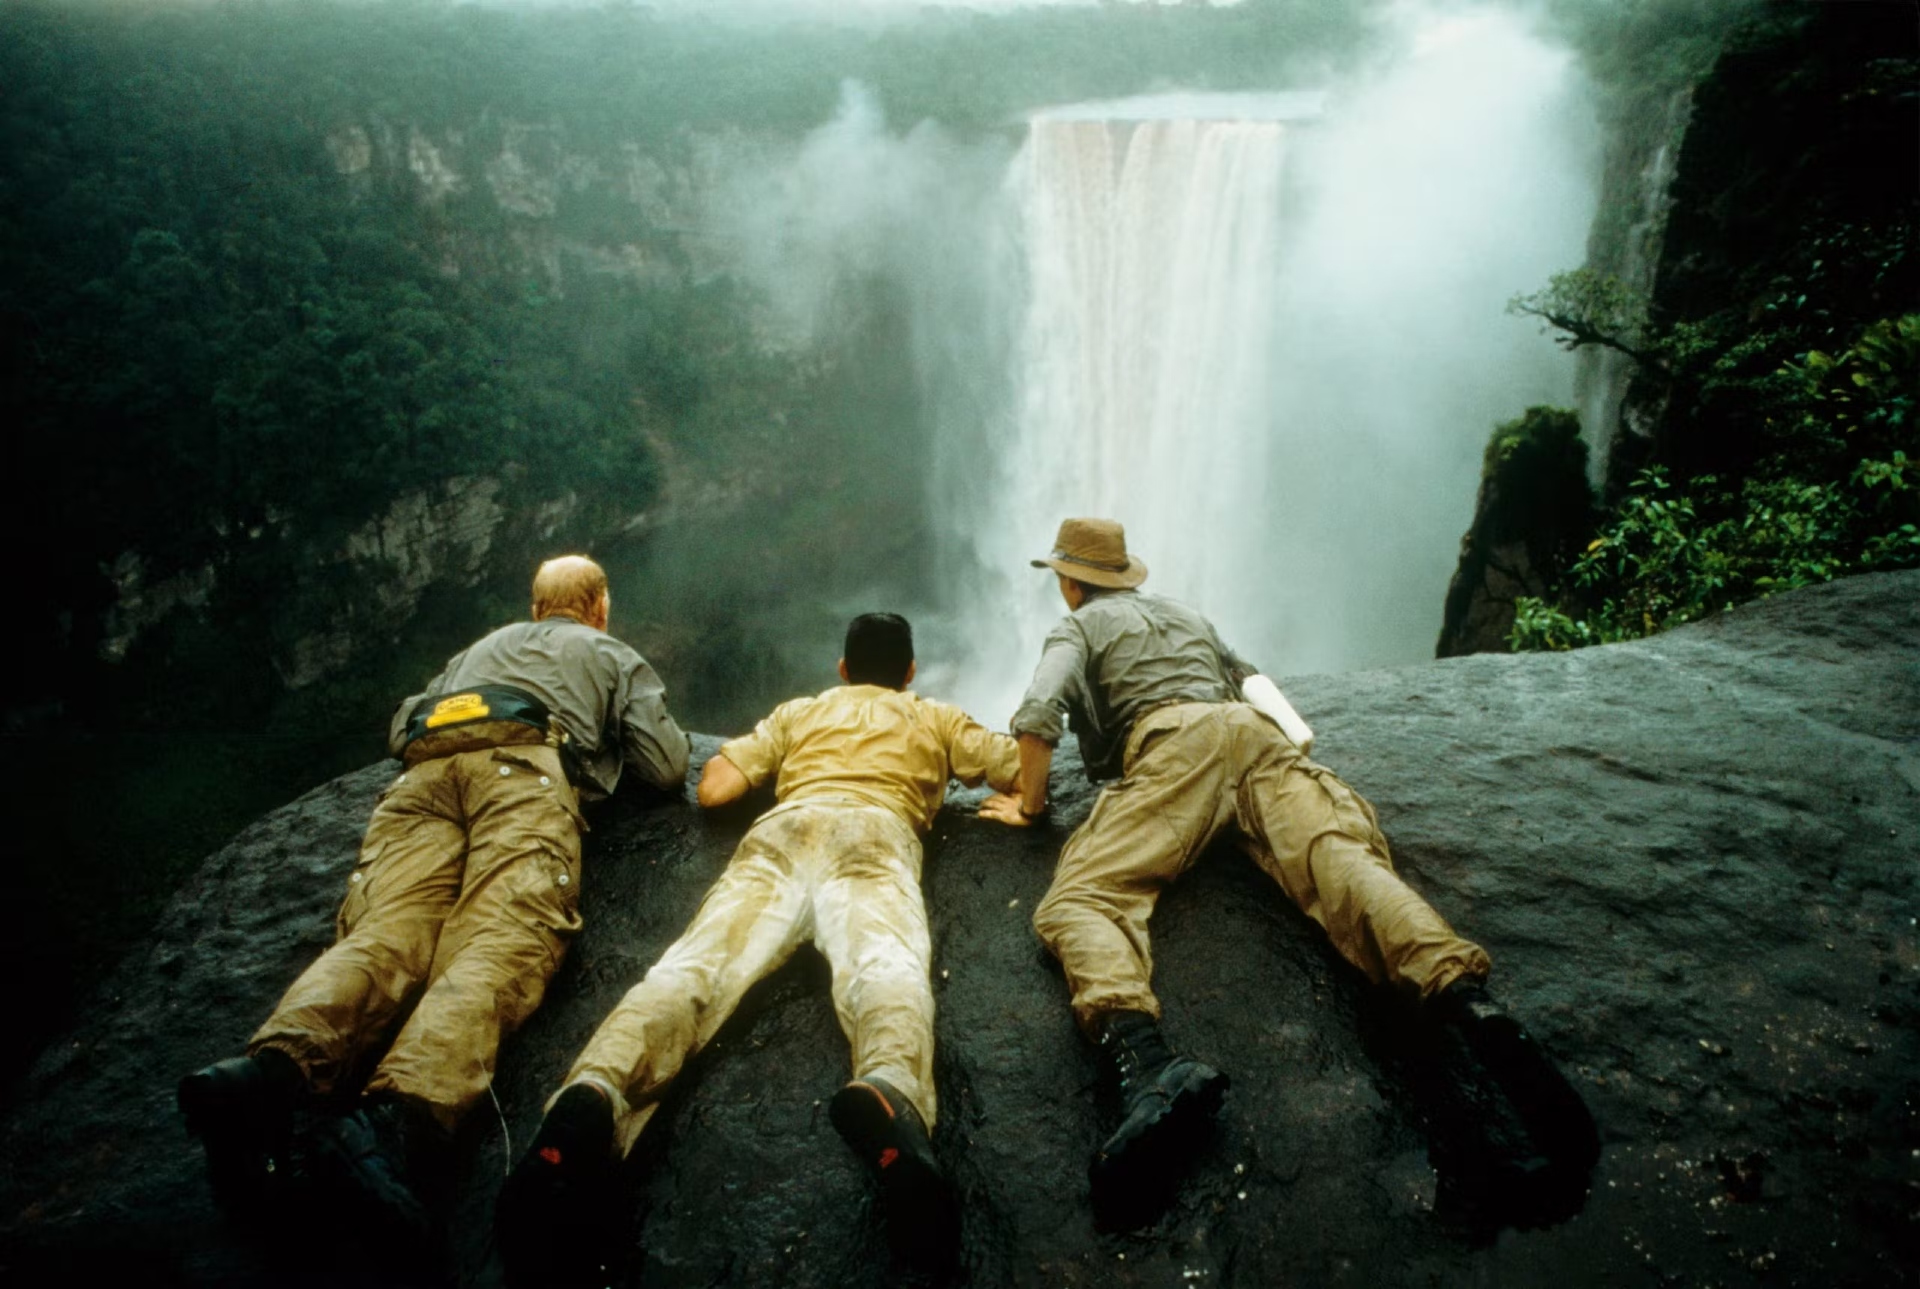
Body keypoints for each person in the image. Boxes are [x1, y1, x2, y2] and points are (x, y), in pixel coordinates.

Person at [980, 517, 1596, 1218]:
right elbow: (1248, 680)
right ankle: (1467, 1001)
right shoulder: (1186, 615)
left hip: (1174, 753)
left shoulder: (1079, 628)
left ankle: (1147, 1065)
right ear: (1125, 575)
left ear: (1069, 582)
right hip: (1258, 741)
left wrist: (1029, 803)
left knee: (1081, 901)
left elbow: (1040, 710)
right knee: (1341, 864)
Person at [177, 555, 691, 1245]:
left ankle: (272, 1073)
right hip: (523, 773)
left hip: (422, 781)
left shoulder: (477, 649)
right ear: (597, 604)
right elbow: (666, 764)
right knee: (501, 935)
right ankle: (396, 1120)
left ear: (536, 607)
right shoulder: (607, 649)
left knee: (387, 931)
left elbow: (401, 729)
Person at [494, 613, 1019, 1283]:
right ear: (910, 672)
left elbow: (715, 788)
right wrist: (1021, 804)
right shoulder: (937, 717)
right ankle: (891, 1089)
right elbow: (1013, 767)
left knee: (692, 968)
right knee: (885, 967)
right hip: (875, 835)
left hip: (783, 832)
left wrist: (773, 770)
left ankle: (597, 1088)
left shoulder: (800, 711)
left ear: (842, 669)